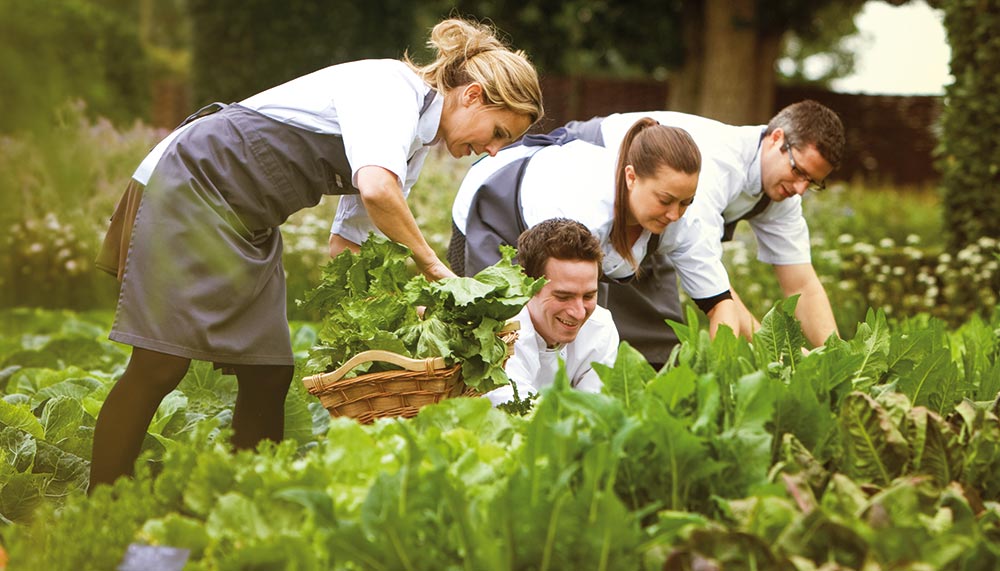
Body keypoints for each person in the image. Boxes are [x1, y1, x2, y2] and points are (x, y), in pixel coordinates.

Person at [88, 18, 544, 491]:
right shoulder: (391, 89)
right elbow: (377, 190)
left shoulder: (412, 147)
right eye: (498, 133)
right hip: (194, 182)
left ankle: (250, 505)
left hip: (249, 223)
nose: (491, 152)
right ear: (472, 95)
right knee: (160, 364)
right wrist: (432, 266)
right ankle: (99, 504)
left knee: (268, 370)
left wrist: (415, 316)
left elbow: (348, 246)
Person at [553, 101, 845, 360]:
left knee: (661, 348)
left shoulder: (783, 192)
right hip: (582, 191)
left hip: (650, 225)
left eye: (812, 182)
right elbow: (712, 283)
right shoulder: (712, 169)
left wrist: (838, 358)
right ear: (776, 138)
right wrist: (784, 353)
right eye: (798, 171)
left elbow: (801, 284)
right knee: (583, 331)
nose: (800, 189)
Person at [451, 117, 745, 363]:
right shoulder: (586, 206)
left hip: (566, 229)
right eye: (665, 200)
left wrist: (720, 370)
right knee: (502, 337)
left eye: (686, 202)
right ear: (631, 177)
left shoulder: (684, 219)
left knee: (599, 331)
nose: (674, 214)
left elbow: (720, 303)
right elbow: (561, 300)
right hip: (497, 203)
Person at [484, 218, 618, 406]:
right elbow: (518, 413)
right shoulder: (500, 336)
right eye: (563, 297)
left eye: (588, 296)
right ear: (527, 285)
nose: (579, 313)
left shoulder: (600, 328)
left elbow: (596, 411)